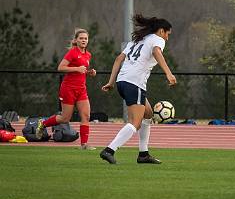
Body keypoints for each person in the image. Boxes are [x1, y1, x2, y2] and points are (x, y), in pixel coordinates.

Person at [99, 14, 176, 164]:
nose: (167, 38)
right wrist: (169, 73)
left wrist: (111, 81)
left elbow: (118, 59)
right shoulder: (157, 40)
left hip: (122, 81)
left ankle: (143, 154)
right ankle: (109, 150)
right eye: (167, 34)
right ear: (161, 31)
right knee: (136, 122)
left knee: (148, 114)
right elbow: (156, 52)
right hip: (135, 83)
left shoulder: (137, 40)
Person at [35, 28, 97, 150]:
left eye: (85, 38)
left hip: (81, 89)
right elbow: (61, 67)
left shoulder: (88, 54)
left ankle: (84, 145)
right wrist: (77, 69)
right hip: (68, 88)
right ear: (76, 40)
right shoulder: (72, 52)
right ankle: (43, 124)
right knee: (65, 118)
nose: (83, 40)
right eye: (81, 38)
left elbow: (81, 71)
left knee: (86, 116)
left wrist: (90, 73)